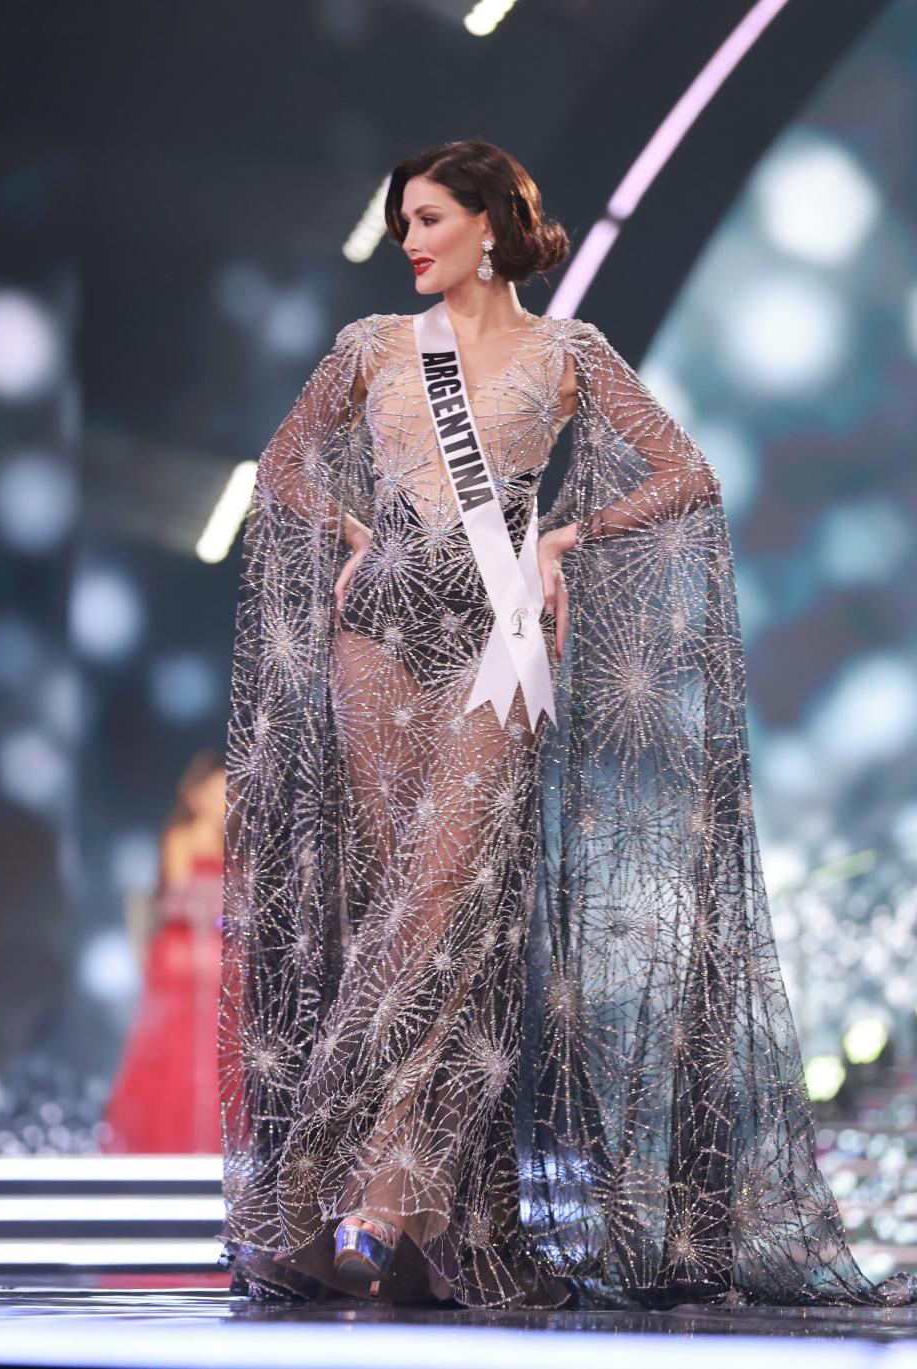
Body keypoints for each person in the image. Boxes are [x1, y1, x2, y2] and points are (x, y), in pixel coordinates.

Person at [216, 139, 917, 1311]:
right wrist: (349, 543)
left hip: (499, 643)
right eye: (403, 224)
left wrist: (560, 541)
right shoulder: (373, 348)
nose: (412, 240)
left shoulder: (570, 353)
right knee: (411, 916)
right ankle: (395, 1202)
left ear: (491, 225)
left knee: (443, 912)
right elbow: (286, 461)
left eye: (430, 218)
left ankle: (339, 1194)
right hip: (378, 639)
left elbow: (687, 474)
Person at [103, 751, 225, 1154]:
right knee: (177, 1047)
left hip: (219, 950)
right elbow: (176, 897)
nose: (225, 798)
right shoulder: (183, 836)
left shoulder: (238, 841)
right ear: (196, 795)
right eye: (217, 789)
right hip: (184, 948)